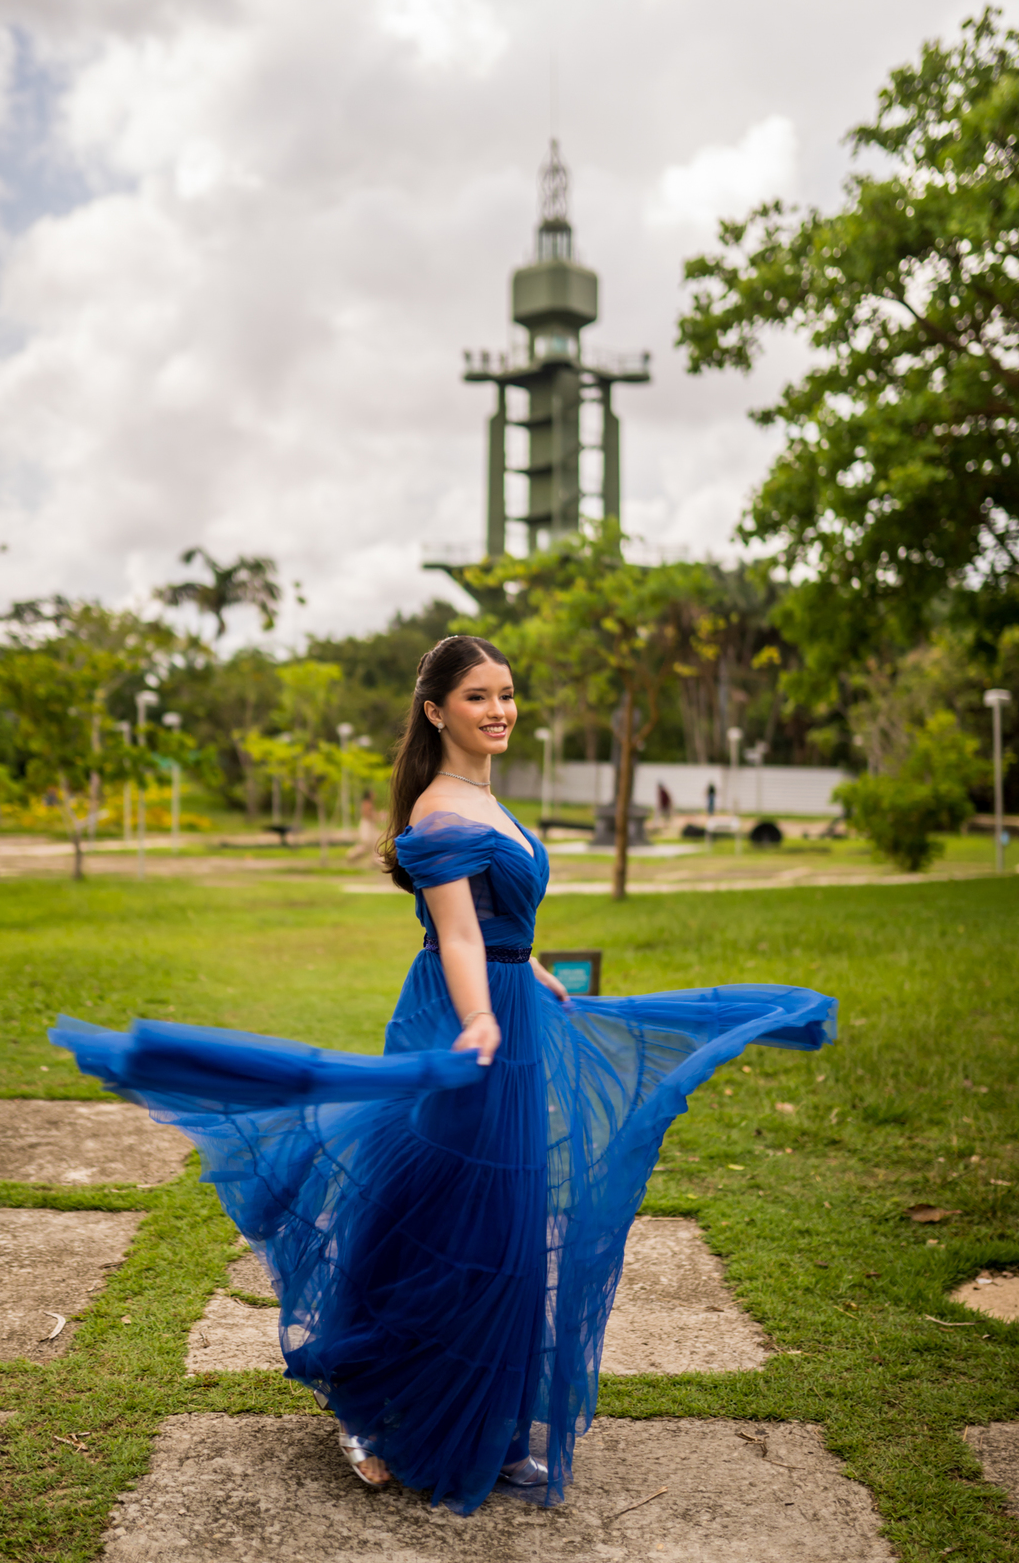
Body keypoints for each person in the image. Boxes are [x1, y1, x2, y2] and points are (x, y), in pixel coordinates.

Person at [51, 635, 835, 1514]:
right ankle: (373, 1405)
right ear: (435, 711)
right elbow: (454, 933)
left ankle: (483, 1420)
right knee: (443, 1210)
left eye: (507, 694)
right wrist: (479, 1015)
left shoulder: (484, 795)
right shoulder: (436, 812)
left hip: (507, 1006)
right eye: (477, 698)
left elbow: (496, 922)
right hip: (467, 1018)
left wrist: (526, 968)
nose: (499, 710)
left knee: (500, 1218)